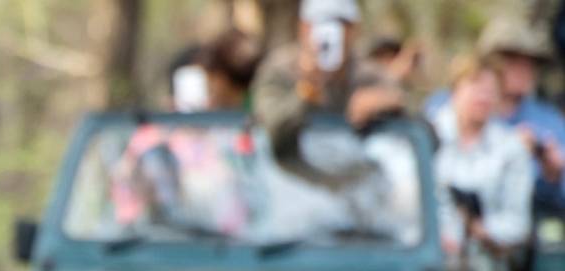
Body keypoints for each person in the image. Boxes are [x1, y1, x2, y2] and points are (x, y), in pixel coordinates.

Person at [252, 0, 407, 183]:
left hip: (354, 188)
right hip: (292, 185)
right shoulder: (279, 70)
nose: (333, 30)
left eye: (341, 23)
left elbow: (418, 130)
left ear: (355, 28)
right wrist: (307, 91)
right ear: (303, 26)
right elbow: (270, 129)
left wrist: (387, 101)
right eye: (322, 21)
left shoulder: (369, 75)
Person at [426, 18, 565, 214]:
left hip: (521, 222)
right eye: (512, 60)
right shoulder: (445, 104)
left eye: (530, 63)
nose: (522, 69)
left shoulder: (549, 122)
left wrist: (553, 173)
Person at [432, 56, 535, 271]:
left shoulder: (510, 147)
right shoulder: (428, 135)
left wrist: (479, 228)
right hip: (430, 264)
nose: (483, 96)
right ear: (455, 89)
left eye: (491, 90)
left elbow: (518, 223)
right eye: (475, 86)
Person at [198, 30, 263, 111]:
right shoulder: (258, 99)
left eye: (210, 80)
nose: (208, 88)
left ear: (221, 78)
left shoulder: (253, 107)